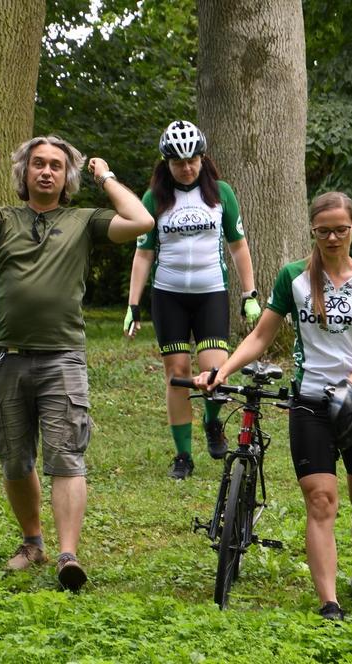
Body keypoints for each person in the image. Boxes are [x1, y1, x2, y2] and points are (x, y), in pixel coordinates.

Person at [0, 136, 154, 591]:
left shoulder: (83, 221)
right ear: (24, 173)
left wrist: (104, 176)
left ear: (67, 178)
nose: (46, 172)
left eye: (56, 166)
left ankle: (67, 555)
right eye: (37, 164)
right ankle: (32, 543)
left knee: (66, 457)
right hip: (8, 356)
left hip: (64, 356)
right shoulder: (3, 219)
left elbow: (141, 220)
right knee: (14, 458)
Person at [195, 191, 352, 620]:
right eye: (324, 231)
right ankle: (329, 602)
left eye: (341, 229)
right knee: (321, 499)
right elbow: (261, 336)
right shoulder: (294, 277)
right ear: (312, 231)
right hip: (309, 404)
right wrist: (223, 370)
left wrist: (349, 384)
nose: (333, 237)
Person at [125, 120, 261, 480]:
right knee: (178, 374)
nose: (186, 168)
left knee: (215, 371)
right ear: (166, 164)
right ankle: (183, 455)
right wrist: (133, 304)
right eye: (178, 163)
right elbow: (143, 254)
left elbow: (238, 246)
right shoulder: (154, 199)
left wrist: (250, 293)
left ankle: (213, 423)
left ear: (203, 158)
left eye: (193, 161)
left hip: (210, 293)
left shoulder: (221, 194)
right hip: (168, 295)